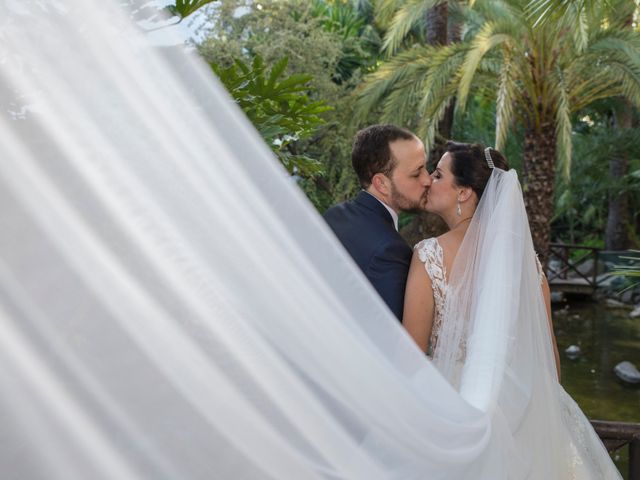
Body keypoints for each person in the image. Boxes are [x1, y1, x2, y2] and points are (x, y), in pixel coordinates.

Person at [403, 141, 620, 479]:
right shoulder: (526, 265)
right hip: (526, 405)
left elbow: (411, 357)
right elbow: (549, 359)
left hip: (455, 408)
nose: (429, 180)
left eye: (438, 174)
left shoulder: (429, 254)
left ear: (464, 193)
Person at [323, 125, 431, 321]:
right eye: (416, 173)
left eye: (425, 167)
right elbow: (391, 340)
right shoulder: (390, 251)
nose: (427, 180)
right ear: (381, 183)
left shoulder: (333, 215)